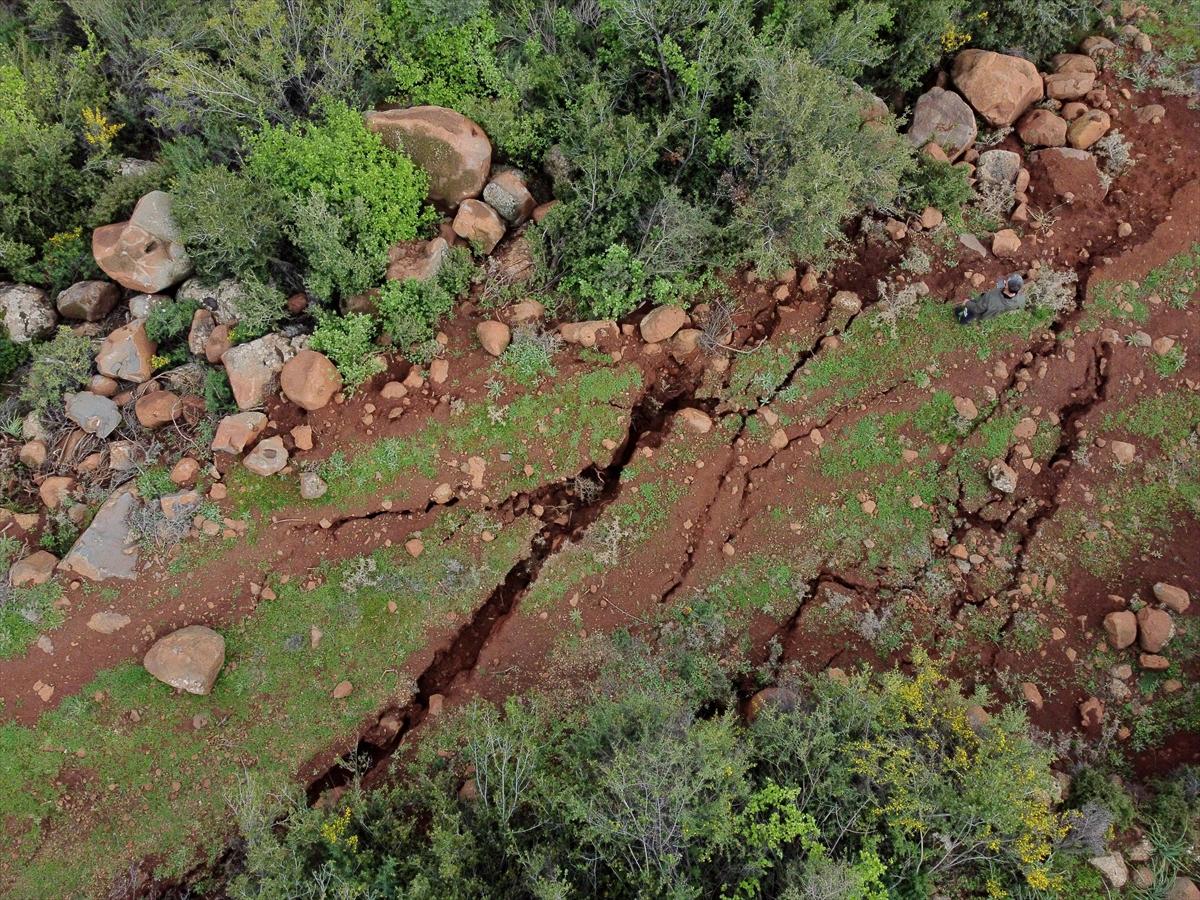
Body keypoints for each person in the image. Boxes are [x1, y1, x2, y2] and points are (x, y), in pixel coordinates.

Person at [956, 273, 1027, 324]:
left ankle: (962, 319)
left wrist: (967, 303)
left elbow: (977, 309)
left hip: (982, 310)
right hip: (993, 313)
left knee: (967, 314)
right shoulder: (1021, 299)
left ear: (1007, 286)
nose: (1005, 280)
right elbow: (1019, 307)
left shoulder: (990, 298)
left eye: (1007, 281)